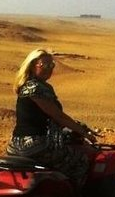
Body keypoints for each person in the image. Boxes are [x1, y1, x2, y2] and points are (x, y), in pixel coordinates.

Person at [7, 48, 97, 186]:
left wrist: (79, 127)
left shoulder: (28, 85)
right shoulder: (35, 88)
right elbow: (58, 116)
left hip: (16, 144)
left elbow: (49, 117)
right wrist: (83, 132)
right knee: (81, 161)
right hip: (35, 145)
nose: (50, 69)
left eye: (52, 66)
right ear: (32, 65)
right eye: (45, 65)